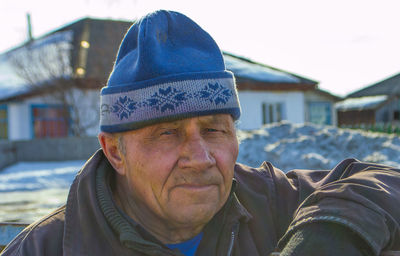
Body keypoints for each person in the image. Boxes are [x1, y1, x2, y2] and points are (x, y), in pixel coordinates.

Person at [2, 10, 400, 256]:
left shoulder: (271, 202)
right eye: (167, 133)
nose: (201, 157)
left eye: (214, 130)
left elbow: (385, 181)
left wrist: (332, 233)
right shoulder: (47, 249)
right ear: (115, 151)